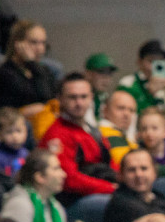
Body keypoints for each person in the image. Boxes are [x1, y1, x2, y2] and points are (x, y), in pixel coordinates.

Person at [40, 73, 116, 213]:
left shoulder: (92, 130)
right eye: (72, 97)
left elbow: (111, 164)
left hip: (99, 192)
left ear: (91, 97)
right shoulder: (57, 135)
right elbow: (69, 181)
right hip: (71, 201)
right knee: (123, 205)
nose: (79, 103)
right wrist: (111, 188)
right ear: (60, 99)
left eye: (83, 97)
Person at [0, 147, 68, 222]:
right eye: (56, 169)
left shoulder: (57, 208)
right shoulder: (20, 205)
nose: (63, 174)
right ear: (40, 177)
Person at [0, 19, 57, 119]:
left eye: (43, 43)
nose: (40, 48)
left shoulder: (44, 70)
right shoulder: (4, 72)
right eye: (34, 42)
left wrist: (31, 64)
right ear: (18, 44)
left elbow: (47, 97)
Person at [116, 39, 165, 131]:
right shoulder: (128, 84)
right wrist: (149, 94)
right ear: (139, 62)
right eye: (151, 61)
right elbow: (127, 118)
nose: (155, 66)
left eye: (160, 62)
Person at [97, 91, 137, 167]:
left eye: (131, 110)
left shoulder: (123, 135)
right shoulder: (105, 133)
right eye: (121, 108)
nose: (127, 114)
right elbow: (131, 165)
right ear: (105, 110)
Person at [0, 106, 28, 177]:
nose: (15, 136)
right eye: (9, 132)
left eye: (18, 131)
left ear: (26, 131)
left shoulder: (26, 154)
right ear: (0, 135)